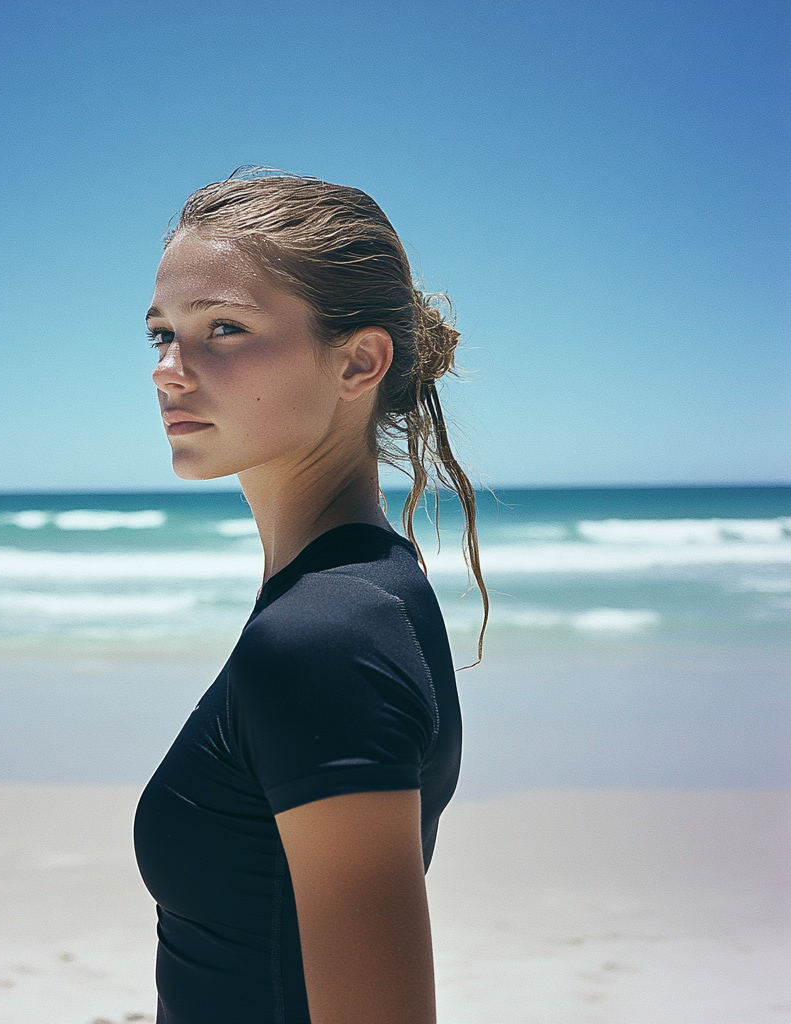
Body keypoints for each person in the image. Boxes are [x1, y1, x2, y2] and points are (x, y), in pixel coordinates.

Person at [133, 170, 488, 1024]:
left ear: (359, 361)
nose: (170, 371)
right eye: (161, 335)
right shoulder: (356, 596)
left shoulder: (326, 635)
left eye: (224, 328)